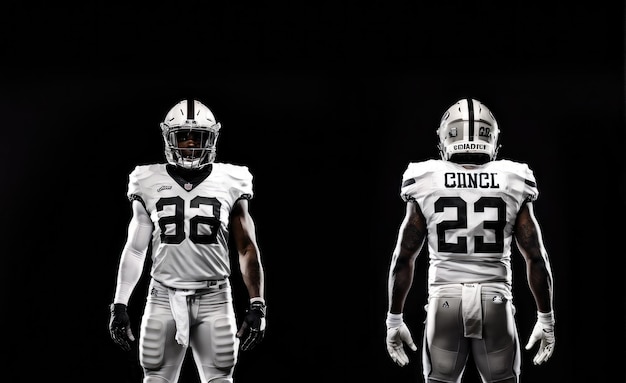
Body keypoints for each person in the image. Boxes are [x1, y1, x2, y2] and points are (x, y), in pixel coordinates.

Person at [385, 98, 555, 383]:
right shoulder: (513, 178)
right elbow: (535, 257)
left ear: (444, 139)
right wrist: (546, 319)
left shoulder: (425, 177)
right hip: (496, 300)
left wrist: (394, 319)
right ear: (493, 142)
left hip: (444, 301)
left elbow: (404, 257)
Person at [108, 99, 267, 383]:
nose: (191, 143)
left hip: (214, 297)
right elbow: (135, 248)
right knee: (156, 377)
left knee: (220, 378)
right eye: (183, 136)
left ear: (213, 138)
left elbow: (246, 247)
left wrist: (257, 303)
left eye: (198, 136)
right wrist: (119, 304)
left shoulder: (231, 179)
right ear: (169, 137)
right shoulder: (147, 179)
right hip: (162, 297)